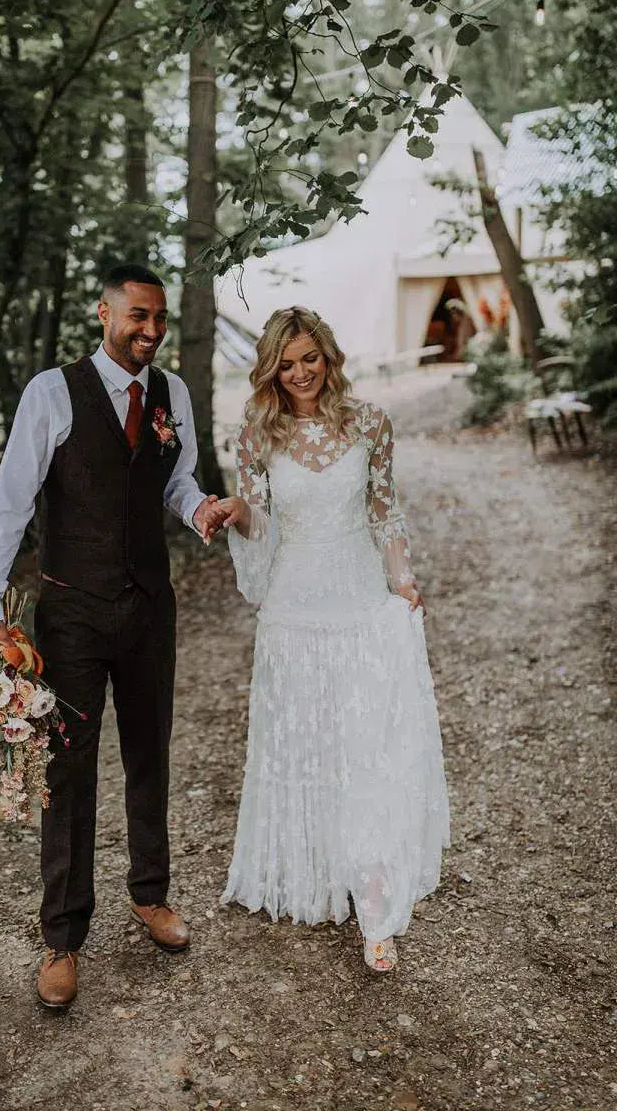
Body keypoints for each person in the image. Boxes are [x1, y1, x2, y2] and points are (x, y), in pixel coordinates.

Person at [0, 264, 225, 1008]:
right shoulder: (51, 393)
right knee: (69, 776)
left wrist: (200, 510)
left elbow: (178, 481)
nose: (149, 332)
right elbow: (11, 504)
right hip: (72, 614)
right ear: (104, 313)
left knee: (150, 756)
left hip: (150, 607)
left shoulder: (172, 394)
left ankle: (150, 895)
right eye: (137, 317)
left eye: (159, 320)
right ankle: (62, 935)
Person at [217, 306, 450, 972]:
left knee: (365, 751)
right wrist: (236, 515)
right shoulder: (257, 435)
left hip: (359, 607)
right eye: (285, 365)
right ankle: (313, 872)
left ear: (328, 355)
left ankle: (376, 907)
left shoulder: (371, 422)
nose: (299, 374)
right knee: (309, 746)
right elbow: (259, 528)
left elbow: (385, 510)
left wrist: (402, 579)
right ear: (270, 369)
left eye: (308, 360)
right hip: (292, 614)